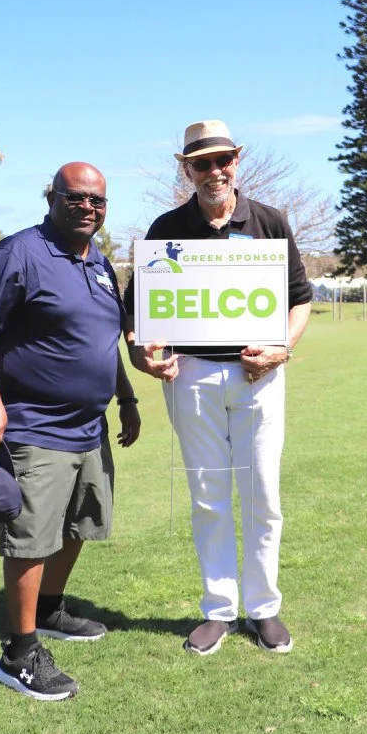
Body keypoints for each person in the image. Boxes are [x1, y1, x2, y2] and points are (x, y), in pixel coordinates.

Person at [124, 121, 312, 656]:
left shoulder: (269, 221)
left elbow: (300, 299)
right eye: (201, 163)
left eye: (222, 160)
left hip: (260, 374)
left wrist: (283, 349)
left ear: (236, 160)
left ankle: (264, 609)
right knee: (208, 496)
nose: (214, 171)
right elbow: (136, 310)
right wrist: (141, 352)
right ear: (186, 169)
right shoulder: (166, 228)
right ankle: (219, 610)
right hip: (193, 376)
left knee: (263, 496)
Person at [0, 162, 140, 701]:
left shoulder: (102, 264)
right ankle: (19, 653)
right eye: (76, 197)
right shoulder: (19, 252)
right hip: (34, 424)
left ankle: (49, 610)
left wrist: (126, 397)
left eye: (98, 201)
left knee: (78, 523)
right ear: (53, 197)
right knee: (31, 537)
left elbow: (100, 341)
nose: (88, 207)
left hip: (90, 425)